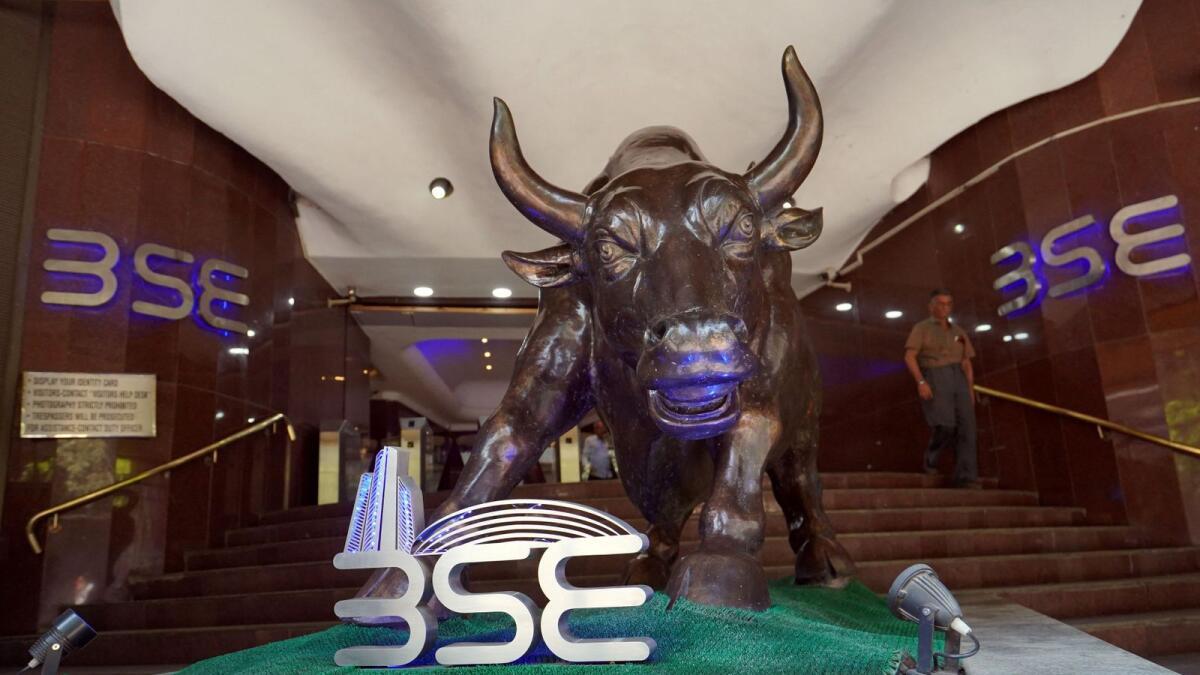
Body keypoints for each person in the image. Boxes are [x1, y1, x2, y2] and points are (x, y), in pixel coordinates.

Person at [903, 289, 980, 488]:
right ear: (931, 306)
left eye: (948, 304)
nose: (945, 307)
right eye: (941, 303)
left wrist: (970, 389)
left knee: (967, 428)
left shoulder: (958, 331)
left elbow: (966, 362)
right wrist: (921, 382)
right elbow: (910, 356)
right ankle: (931, 457)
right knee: (945, 425)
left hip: (959, 378)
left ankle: (966, 477)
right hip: (935, 375)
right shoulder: (922, 328)